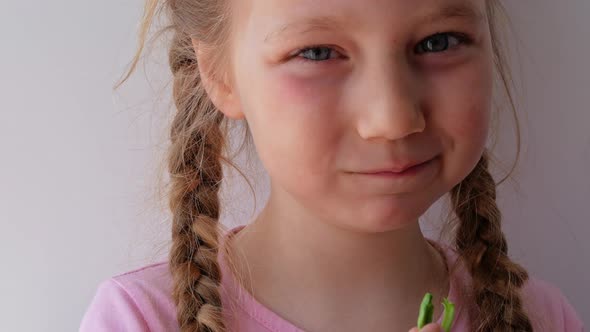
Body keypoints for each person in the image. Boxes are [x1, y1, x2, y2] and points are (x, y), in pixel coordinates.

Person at [80, 0, 585, 331]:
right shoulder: (138, 320)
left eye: (439, 42)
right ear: (218, 72)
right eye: (318, 52)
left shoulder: (542, 318)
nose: (392, 118)